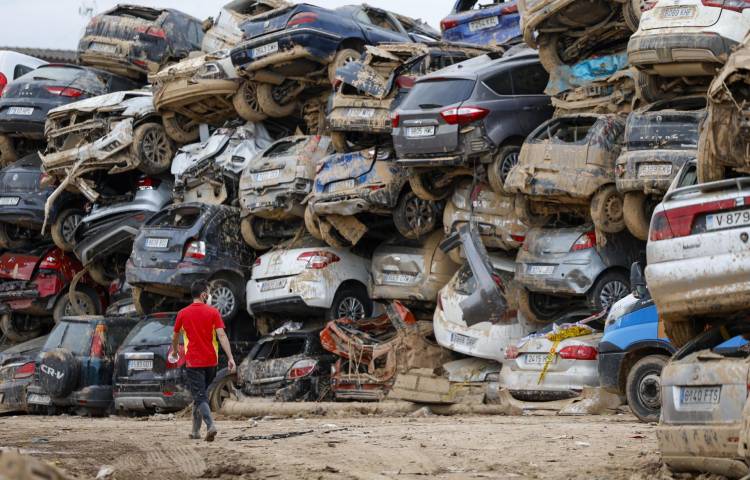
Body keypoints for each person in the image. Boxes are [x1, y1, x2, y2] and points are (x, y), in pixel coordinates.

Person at [171, 279, 236, 442]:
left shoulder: (183, 314)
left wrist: (174, 350)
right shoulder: (213, 313)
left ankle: (210, 425)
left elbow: (175, 336)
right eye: (208, 292)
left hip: (194, 362)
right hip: (211, 362)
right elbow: (222, 335)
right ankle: (195, 431)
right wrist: (230, 357)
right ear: (203, 295)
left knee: (200, 396)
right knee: (201, 396)